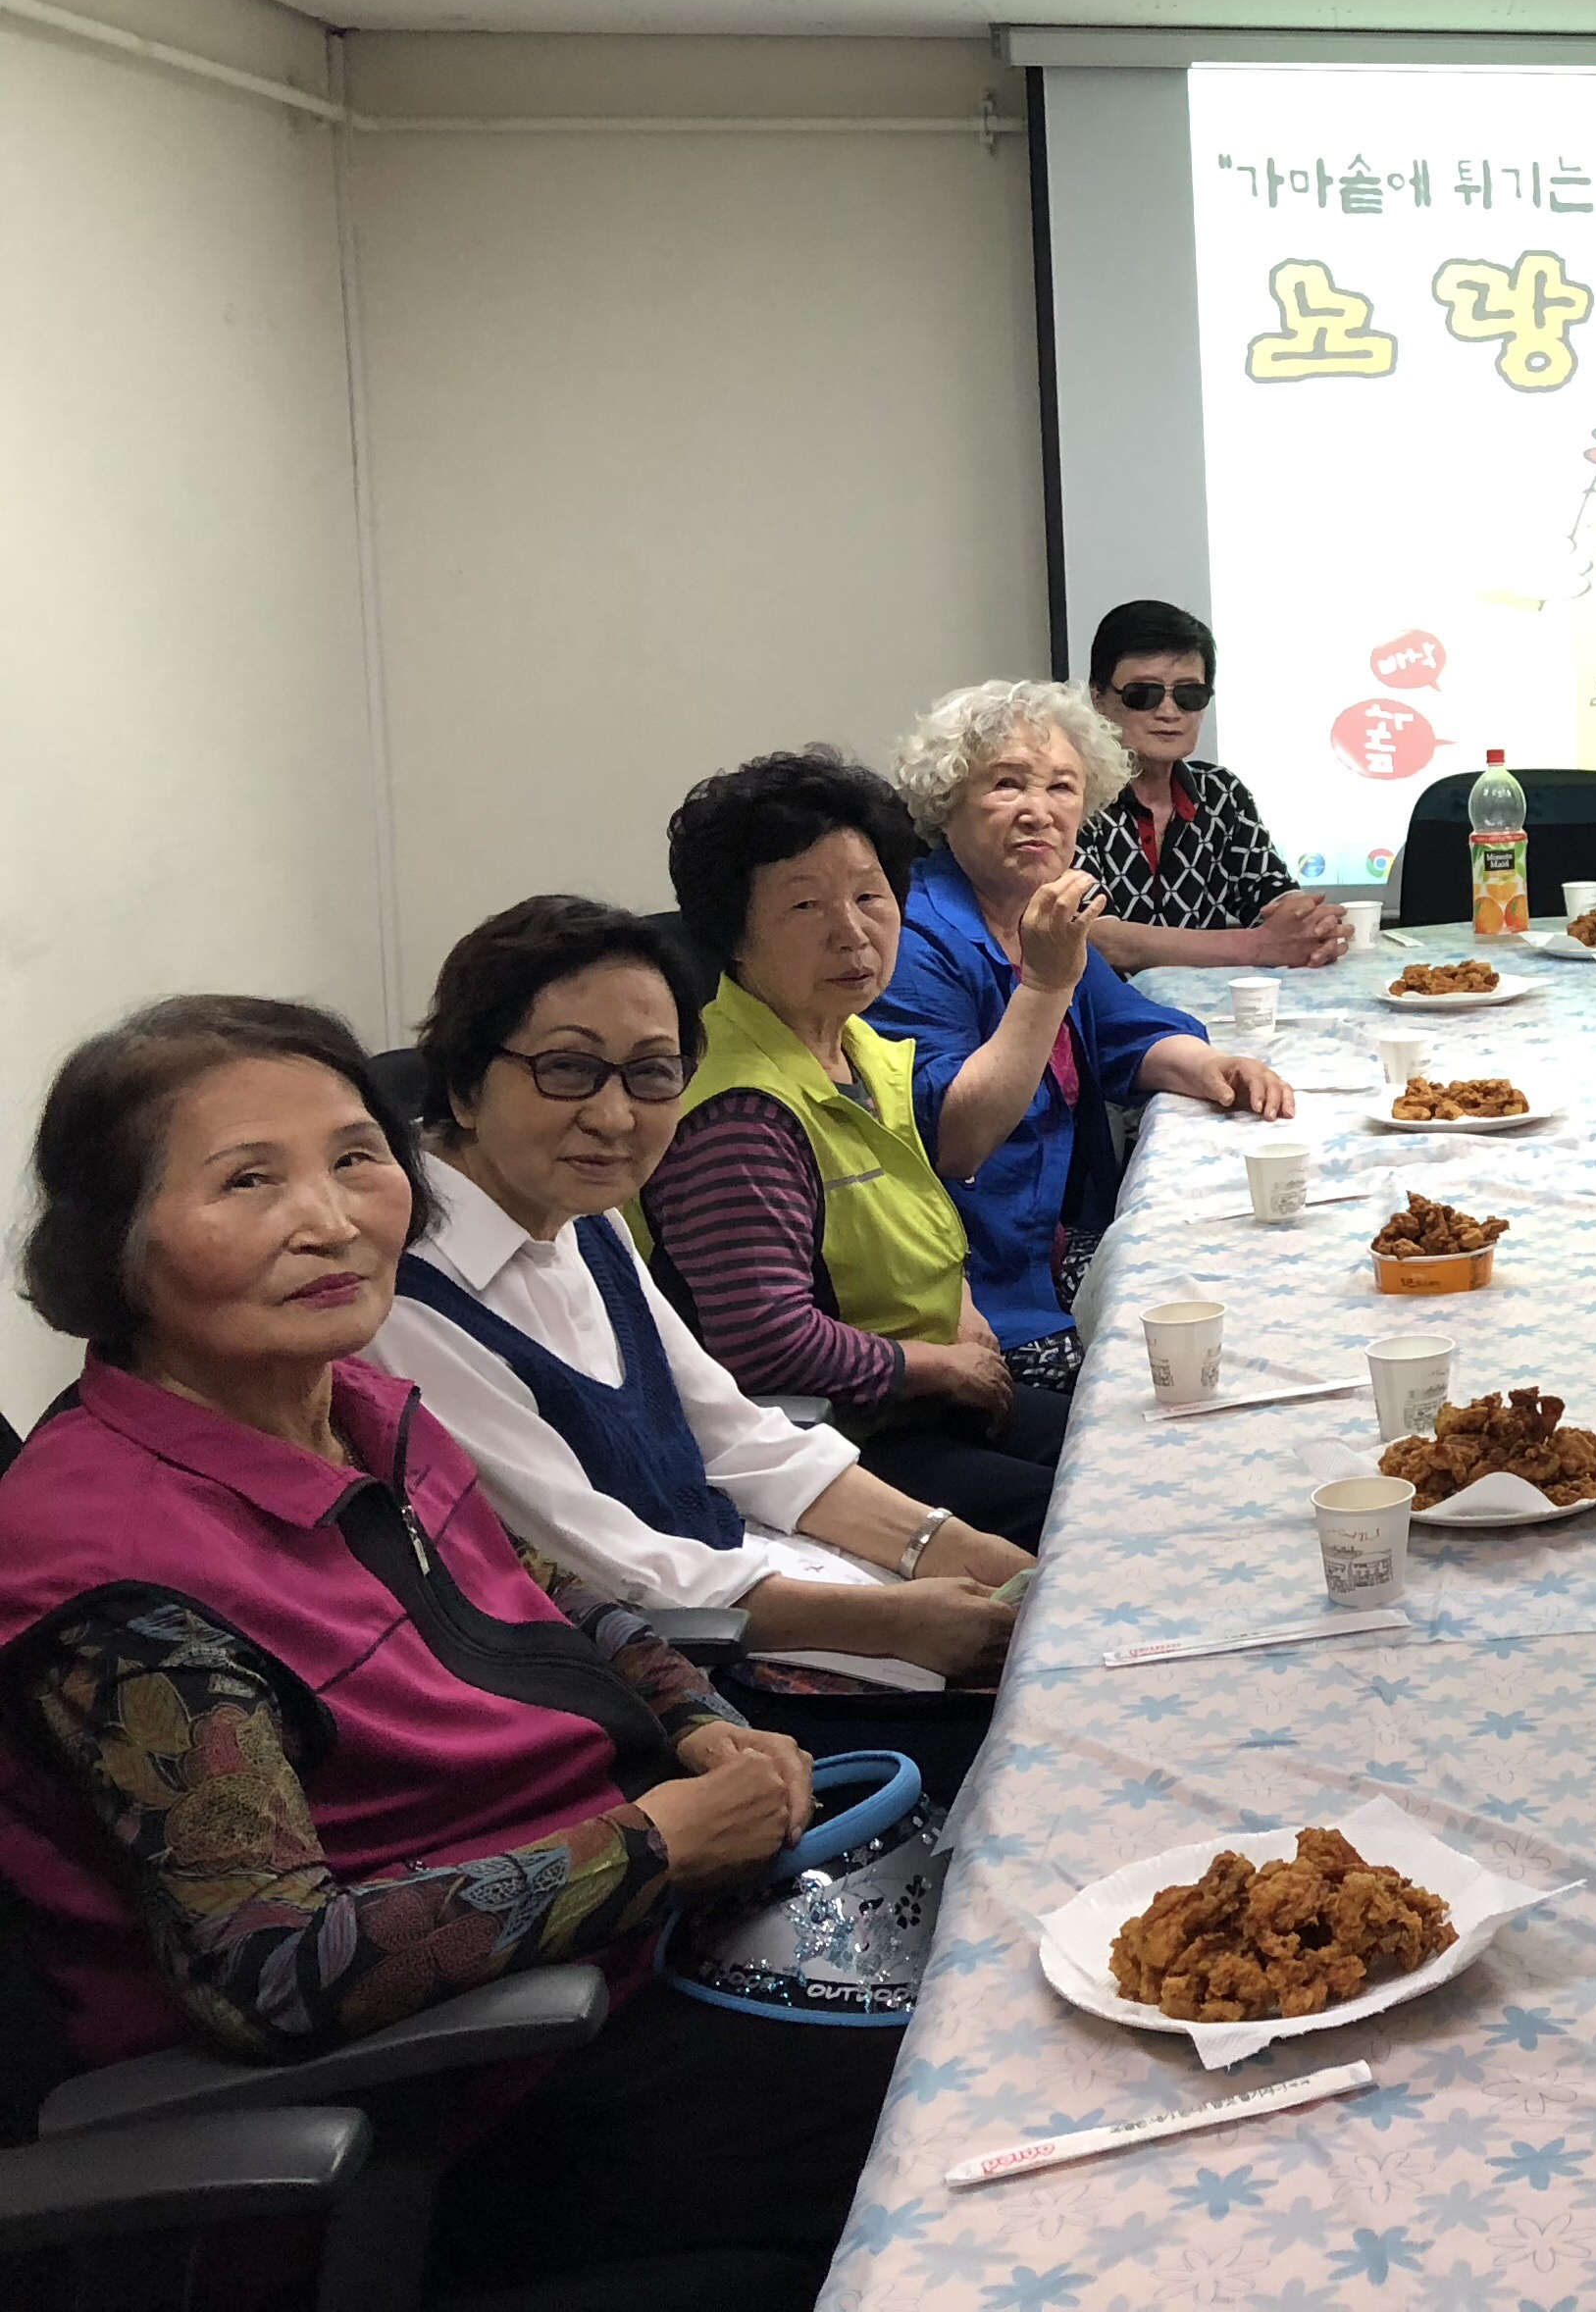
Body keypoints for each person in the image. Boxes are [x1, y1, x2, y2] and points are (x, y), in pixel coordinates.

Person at [0, 997, 890, 2298]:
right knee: (969, 2097)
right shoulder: (117, 1577)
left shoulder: (362, 1409)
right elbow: (272, 1969)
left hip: (637, 1959)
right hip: (460, 2111)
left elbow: (561, 1607)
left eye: (357, 1157)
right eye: (249, 1180)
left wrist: (702, 1725)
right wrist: (653, 1846)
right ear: (113, 1243)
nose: (331, 1219)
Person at [369, 895, 1028, 1789]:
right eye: (568, 1070)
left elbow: (734, 1432)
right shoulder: (402, 1303)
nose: (614, 1116)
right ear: (463, 1085)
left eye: (651, 1073)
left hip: (762, 1584)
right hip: (679, 1693)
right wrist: (895, 1623)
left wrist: (949, 1546)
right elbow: (600, 1563)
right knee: (1045, 1742)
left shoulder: (578, 1214)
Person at [635, 748, 1068, 1545]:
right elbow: (766, 1344)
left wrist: (960, 1309)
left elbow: (910, 1214)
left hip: (921, 1399)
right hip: (830, 1444)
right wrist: (935, 1365)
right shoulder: (740, 1115)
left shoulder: (854, 1046)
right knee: (1092, 1520)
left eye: (870, 896)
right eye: (805, 907)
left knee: (1129, 1450)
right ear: (732, 934)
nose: (851, 932)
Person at [873, 679, 1293, 1357]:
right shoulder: (912, 939)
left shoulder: (1035, 913)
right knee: (1181, 1364)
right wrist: (1045, 984)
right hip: (980, 1286)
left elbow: (1126, 1031)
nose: (1039, 812)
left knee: (1255, 1291)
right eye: (1007, 785)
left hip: (1056, 1243)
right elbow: (958, 1138)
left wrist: (1214, 1067)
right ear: (946, 803)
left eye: (1062, 788)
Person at [1079, 595, 1353, 977]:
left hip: (1210, 1007)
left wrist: (1310, 925)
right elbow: (1095, 937)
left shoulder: (1220, 793)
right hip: (1100, 1011)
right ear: (1098, 698)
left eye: (1189, 695)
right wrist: (1257, 946)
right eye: (1144, 694)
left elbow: (1271, 897)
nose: (1169, 712)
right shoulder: (1070, 795)